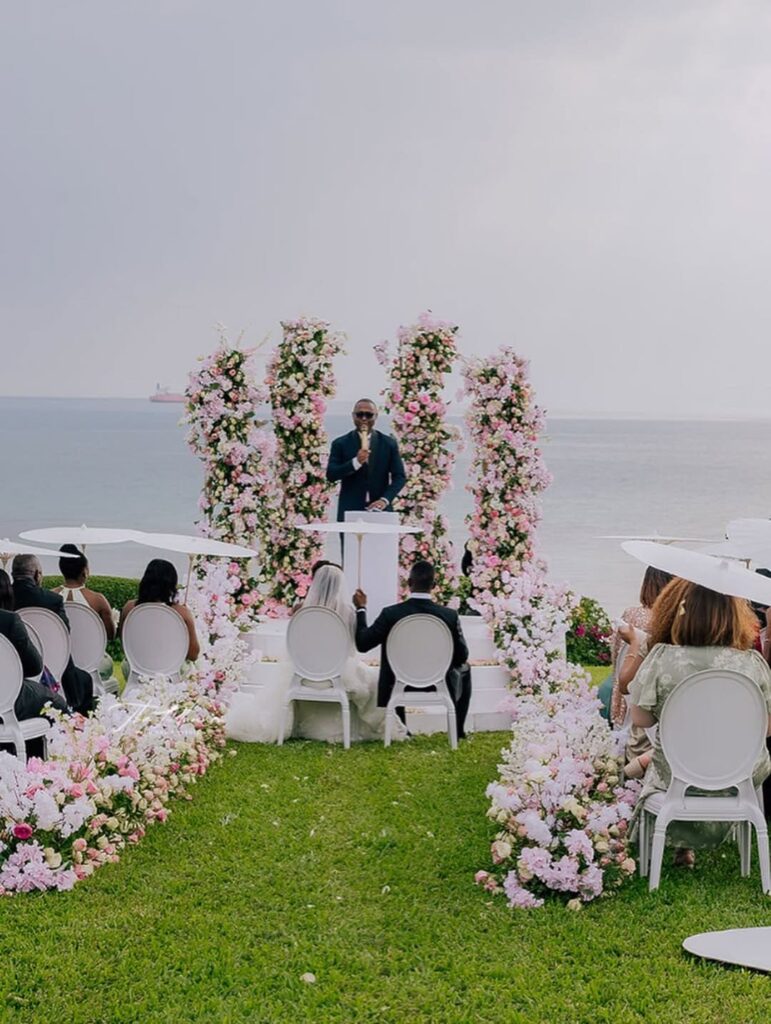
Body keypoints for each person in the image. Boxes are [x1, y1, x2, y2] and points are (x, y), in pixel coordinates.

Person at [630, 577, 771, 866]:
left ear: (680, 612)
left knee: (656, 766)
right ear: (735, 617)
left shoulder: (662, 658)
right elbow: (766, 728)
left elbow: (640, 718)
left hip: (677, 775)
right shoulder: (751, 663)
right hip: (740, 774)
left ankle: (674, 846)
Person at [225, 563, 404, 743]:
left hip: (303, 672)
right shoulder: (348, 612)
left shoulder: (301, 610)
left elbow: (294, 645)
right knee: (371, 680)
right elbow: (352, 649)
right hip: (337, 674)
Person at [353, 559, 472, 738]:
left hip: (398, 682)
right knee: (466, 669)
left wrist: (361, 609)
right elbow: (462, 655)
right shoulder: (449, 616)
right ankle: (458, 730)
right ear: (433, 585)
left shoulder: (391, 614)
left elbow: (363, 644)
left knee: (398, 665)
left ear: (409, 584)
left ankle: (404, 730)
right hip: (438, 682)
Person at [11, 554, 95, 716]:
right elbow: (64, 634)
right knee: (84, 679)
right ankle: (79, 726)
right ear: (36, 574)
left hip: (15, 665)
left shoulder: (6, 598)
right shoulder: (52, 600)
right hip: (53, 666)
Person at [0, 568, 69, 725]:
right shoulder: (9, 620)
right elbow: (34, 666)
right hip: (8, 699)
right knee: (56, 702)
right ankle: (62, 746)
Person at [326, 398, 406, 521]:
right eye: (360, 414)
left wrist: (385, 500)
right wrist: (355, 463)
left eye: (368, 415)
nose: (364, 418)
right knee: (351, 541)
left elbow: (399, 476)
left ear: (376, 416)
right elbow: (331, 475)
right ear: (353, 416)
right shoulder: (340, 443)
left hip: (381, 510)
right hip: (350, 510)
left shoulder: (388, 443)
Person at [53, 544, 116, 681]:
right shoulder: (98, 600)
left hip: (59, 662)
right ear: (84, 572)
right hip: (92, 664)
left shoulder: (50, 596)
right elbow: (110, 635)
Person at [119, 559, 200, 662]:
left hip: (136, 668)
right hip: (169, 671)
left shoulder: (129, 608)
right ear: (171, 584)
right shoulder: (182, 613)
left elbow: (124, 646)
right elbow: (193, 655)